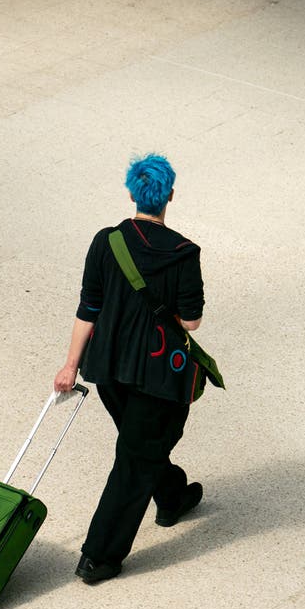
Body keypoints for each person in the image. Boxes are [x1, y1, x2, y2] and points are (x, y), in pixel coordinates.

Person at [53, 153, 206, 584]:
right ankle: (99, 556)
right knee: (134, 459)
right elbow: (191, 321)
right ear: (169, 196)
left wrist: (69, 366)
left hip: (109, 371)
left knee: (141, 447)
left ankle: (172, 495)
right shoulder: (183, 253)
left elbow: (89, 307)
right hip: (158, 377)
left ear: (132, 193)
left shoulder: (107, 241)